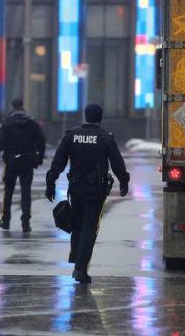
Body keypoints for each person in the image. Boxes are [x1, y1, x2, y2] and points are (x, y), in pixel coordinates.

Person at [45, 103, 130, 284]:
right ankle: (81, 269)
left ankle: (76, 259)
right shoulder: (105, 137)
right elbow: (117, 162)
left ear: (85, 116)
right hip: (95, 190)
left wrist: (50, 181)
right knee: (89, 228)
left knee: (78, 224)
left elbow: (58, 160)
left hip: (75, 188)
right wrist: (124, 180)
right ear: (100, 118)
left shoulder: (71, 136)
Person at [0, 98, 46, 232]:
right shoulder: (31, 122)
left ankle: (6, 221)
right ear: (22, 106)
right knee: (26, 192)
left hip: (11, 161)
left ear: (12, 107)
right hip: (27, 161)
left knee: (8, 191)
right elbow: (41, 142)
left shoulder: (7, 123)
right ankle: (26, 223)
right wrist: (39, 158)